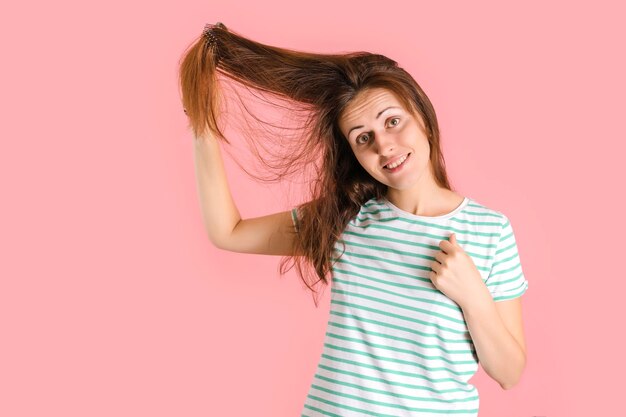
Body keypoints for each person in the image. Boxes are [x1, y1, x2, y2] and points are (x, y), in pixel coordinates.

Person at [179, 22, 529, 417]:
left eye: (393, 121)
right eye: (363, 137)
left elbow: (509, 373)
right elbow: (229, 232)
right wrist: (202, 125)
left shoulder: (491, 231)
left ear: (422, 116)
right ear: (354, 154)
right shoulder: (346, 219)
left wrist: (474, 296)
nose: (384, 145)